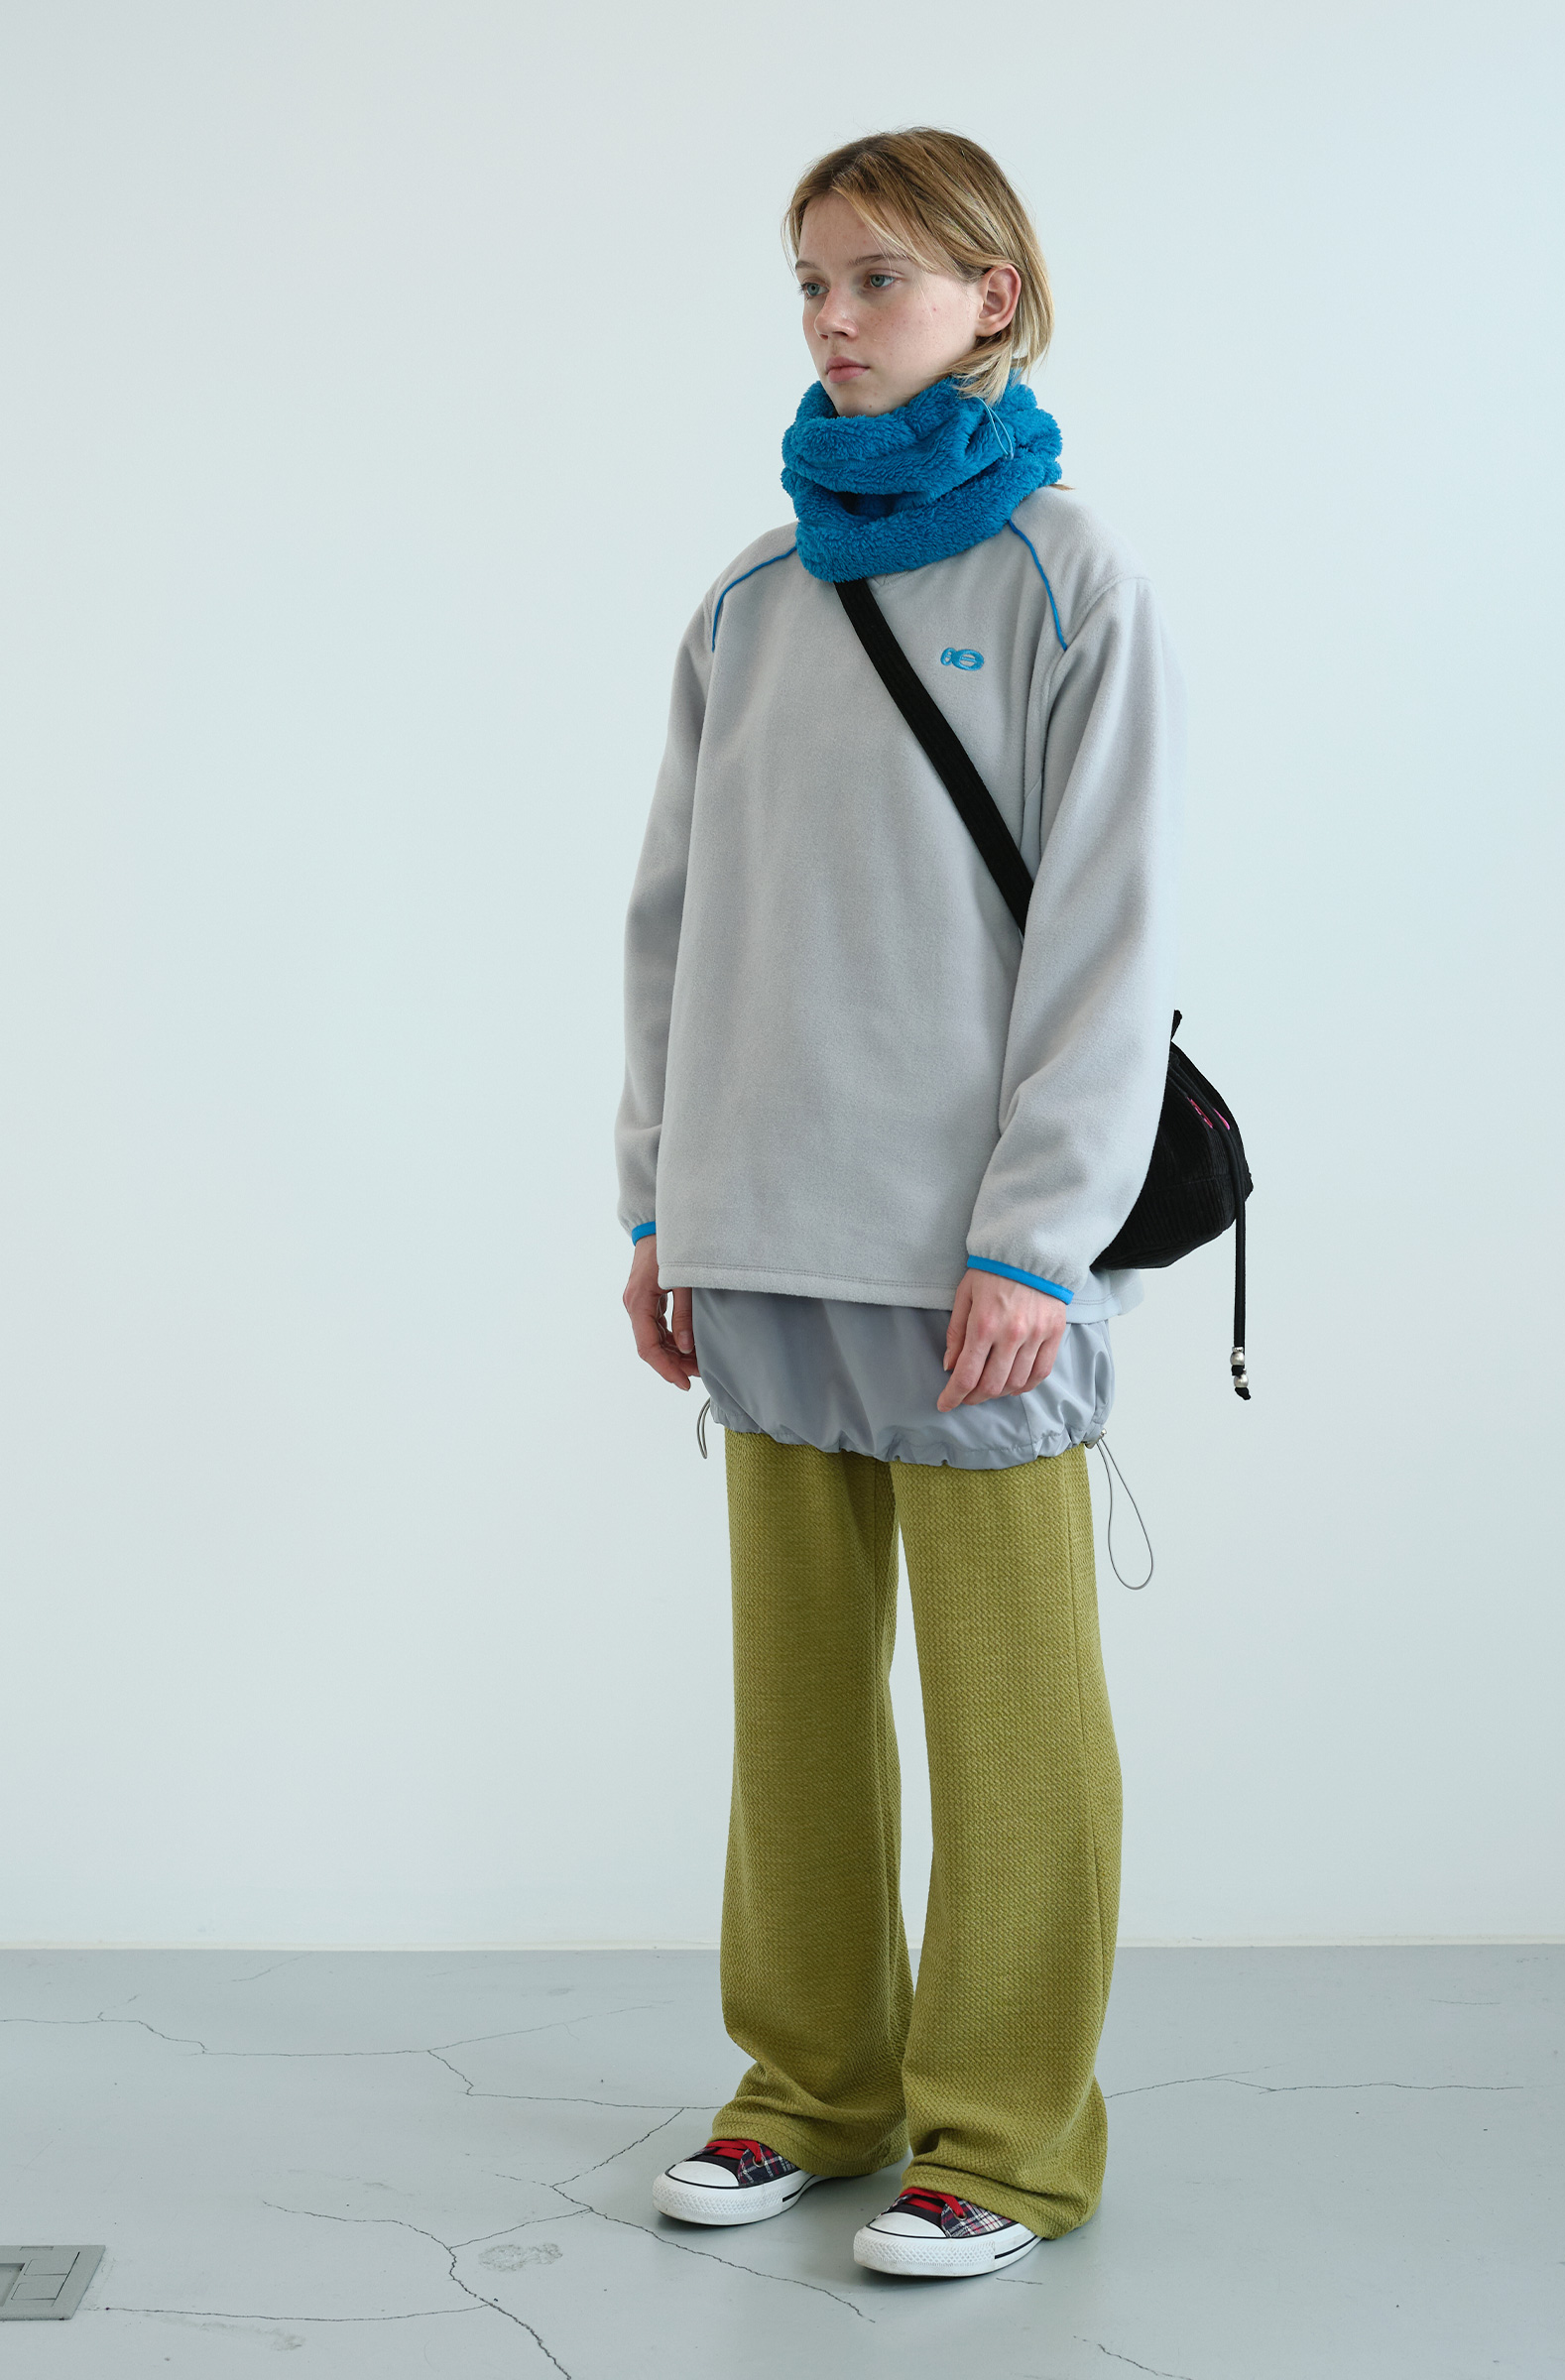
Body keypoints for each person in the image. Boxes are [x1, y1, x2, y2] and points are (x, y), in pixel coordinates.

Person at [614, 127, 1184, 2281]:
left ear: (990, 299)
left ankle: (1006, 2141)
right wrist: (658, 1205)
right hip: (761, 1229)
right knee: (796, 1716)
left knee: (1014, 1723)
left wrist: (1042, 1233)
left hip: (975, 1260)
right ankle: (811, 2092)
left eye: (878, 279)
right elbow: (675, 924)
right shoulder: (752, 600)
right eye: (812, 283)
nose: (835, 320)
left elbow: (1111, 934)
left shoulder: (1066, 576)